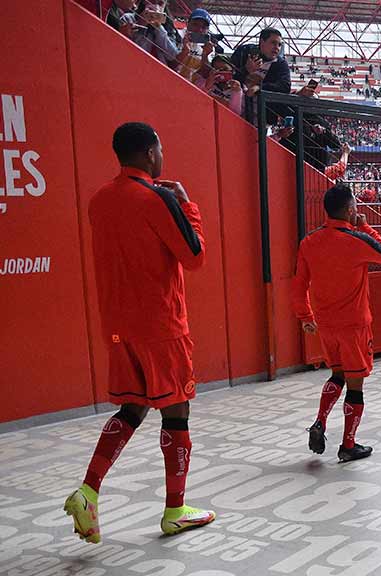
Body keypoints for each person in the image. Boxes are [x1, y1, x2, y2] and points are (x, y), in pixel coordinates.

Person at [64, 122, 215, 544]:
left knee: (132, 408)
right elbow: (196, 256)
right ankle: (175, 509)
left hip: (118, 328)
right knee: (177, 411)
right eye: (161, 149)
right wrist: (188, 206)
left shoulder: (99, 200)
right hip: (161, 327)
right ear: (150, 154)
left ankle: (88, 490)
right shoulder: (161, 198)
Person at [291, 183, 381, 462]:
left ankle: (320, 421)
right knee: (355, 383)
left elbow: (298, 284)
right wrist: (365, 227)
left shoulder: (309, 241)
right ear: (350, 210)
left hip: (325, 324)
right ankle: (348, 444)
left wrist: (304, 316)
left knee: (337, 374)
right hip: (354, 325)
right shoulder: (356, 240)